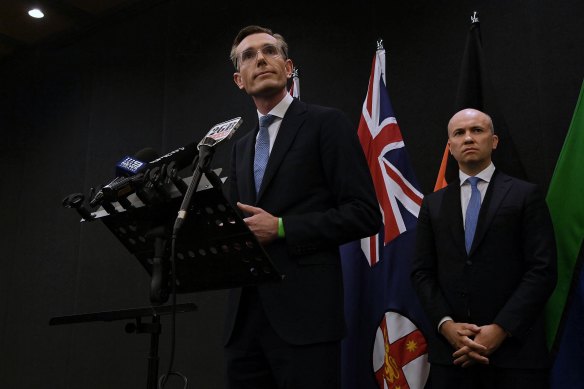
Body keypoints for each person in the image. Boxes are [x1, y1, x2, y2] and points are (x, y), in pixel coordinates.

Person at [223, 25, 381, 389]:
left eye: (270, 51)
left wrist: (281, 228)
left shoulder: (326, 123)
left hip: (306, 318)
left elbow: (364, 213)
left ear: (288, 66)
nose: (260, 59)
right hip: (244, 323)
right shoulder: (241, 146)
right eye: (249, 56)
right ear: (239, 80)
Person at [411, 108, 557, 389]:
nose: (468, 138)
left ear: (494, 141)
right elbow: (422, 272)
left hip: (515, 354)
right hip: (452, 354)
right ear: (450, 146)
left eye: (477, 130)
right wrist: (446, 325)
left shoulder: (525, 195)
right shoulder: (433, 203)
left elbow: (543, 270)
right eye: (459, 133)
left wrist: (501, 329)